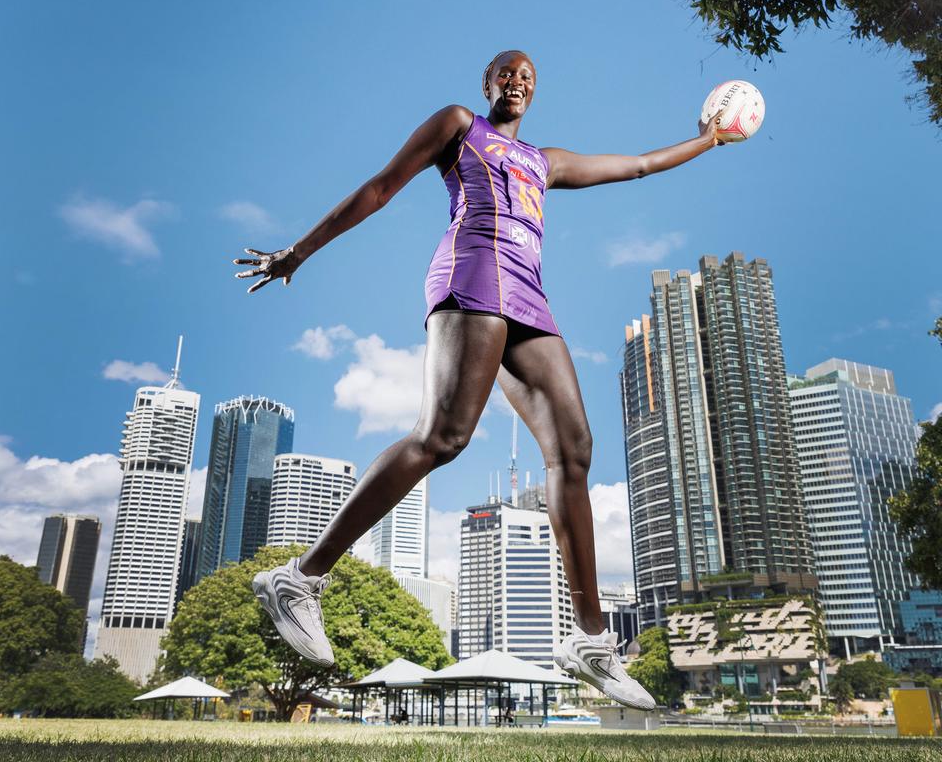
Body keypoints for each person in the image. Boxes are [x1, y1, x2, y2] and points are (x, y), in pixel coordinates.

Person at [239, 50, 726, 712]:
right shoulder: (461, 125)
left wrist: (709, 139)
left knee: (574, 451)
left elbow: (636, 165)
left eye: (528, 77)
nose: (518, 81)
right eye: (507, 73)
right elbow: (381, 186)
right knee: (444, 437)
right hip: (474, 271)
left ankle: (589, 638)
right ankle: (300, 577)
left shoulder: (545, 162)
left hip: (528, 293)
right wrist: (299, 250)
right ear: (487, 84)